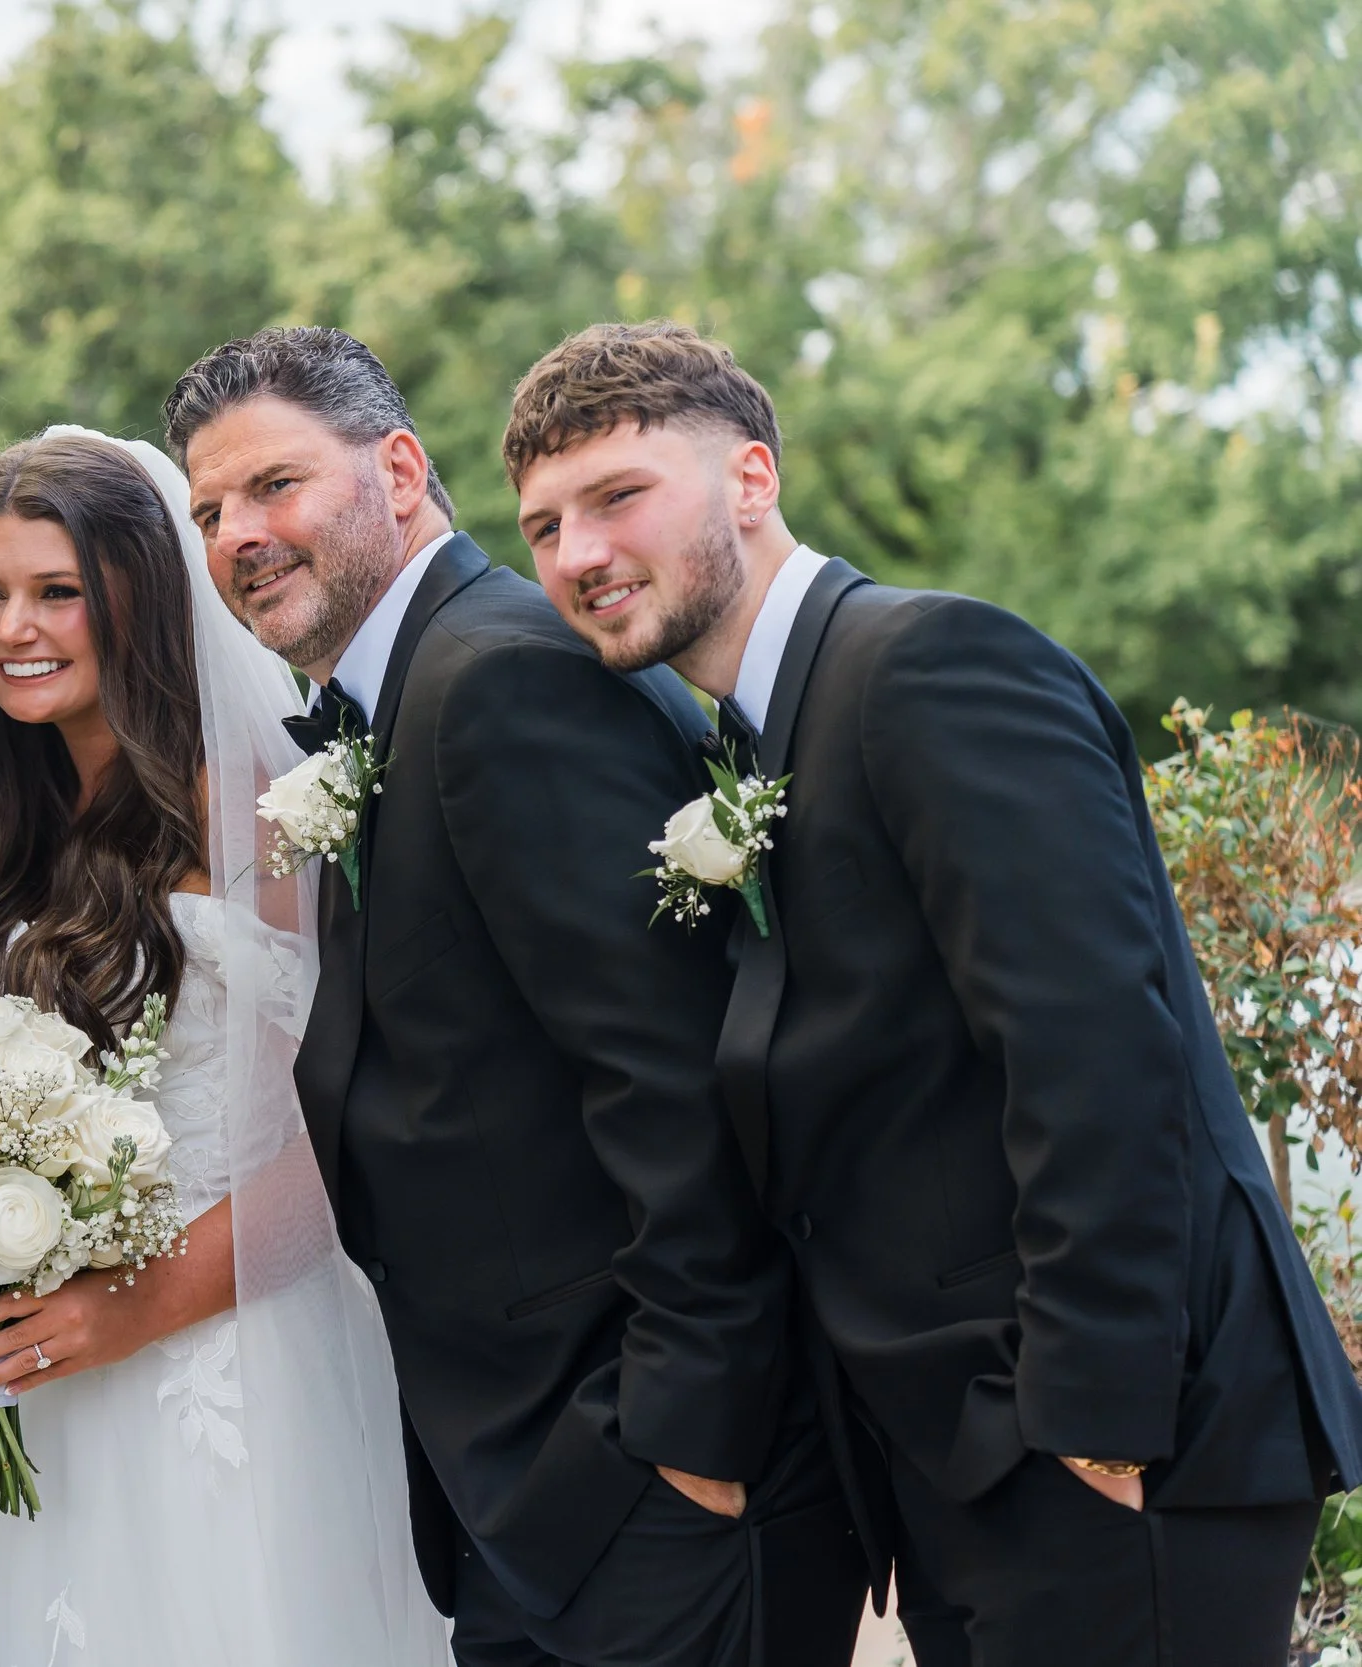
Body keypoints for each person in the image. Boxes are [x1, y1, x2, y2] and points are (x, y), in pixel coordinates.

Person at [505, 318, 1362, 1665]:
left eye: (618, 496)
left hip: (1115, 1440)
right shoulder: (756, 737)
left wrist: (1096, 1416)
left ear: (751, 478)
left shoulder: (930, 666)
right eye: (544, 526)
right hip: (964, 1461)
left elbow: (1095, 1044)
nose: (578, 554)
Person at [166, 327, 867, 1667]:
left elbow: (674, 1072)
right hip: (542, 1501)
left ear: (401, 468)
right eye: (210, 511)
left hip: (653, 1488)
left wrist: (686, 1442)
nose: (238, 532)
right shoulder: (413, 689)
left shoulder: (499, 679)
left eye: (273, 486)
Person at [0, 428, 451, 1666]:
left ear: (140, 595)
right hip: (41, 1370)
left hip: (226, 1355)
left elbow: (346, 1122)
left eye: (59, 592)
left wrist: (134, 1305)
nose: (13, 630)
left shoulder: (248, 805)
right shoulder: (16, 814)